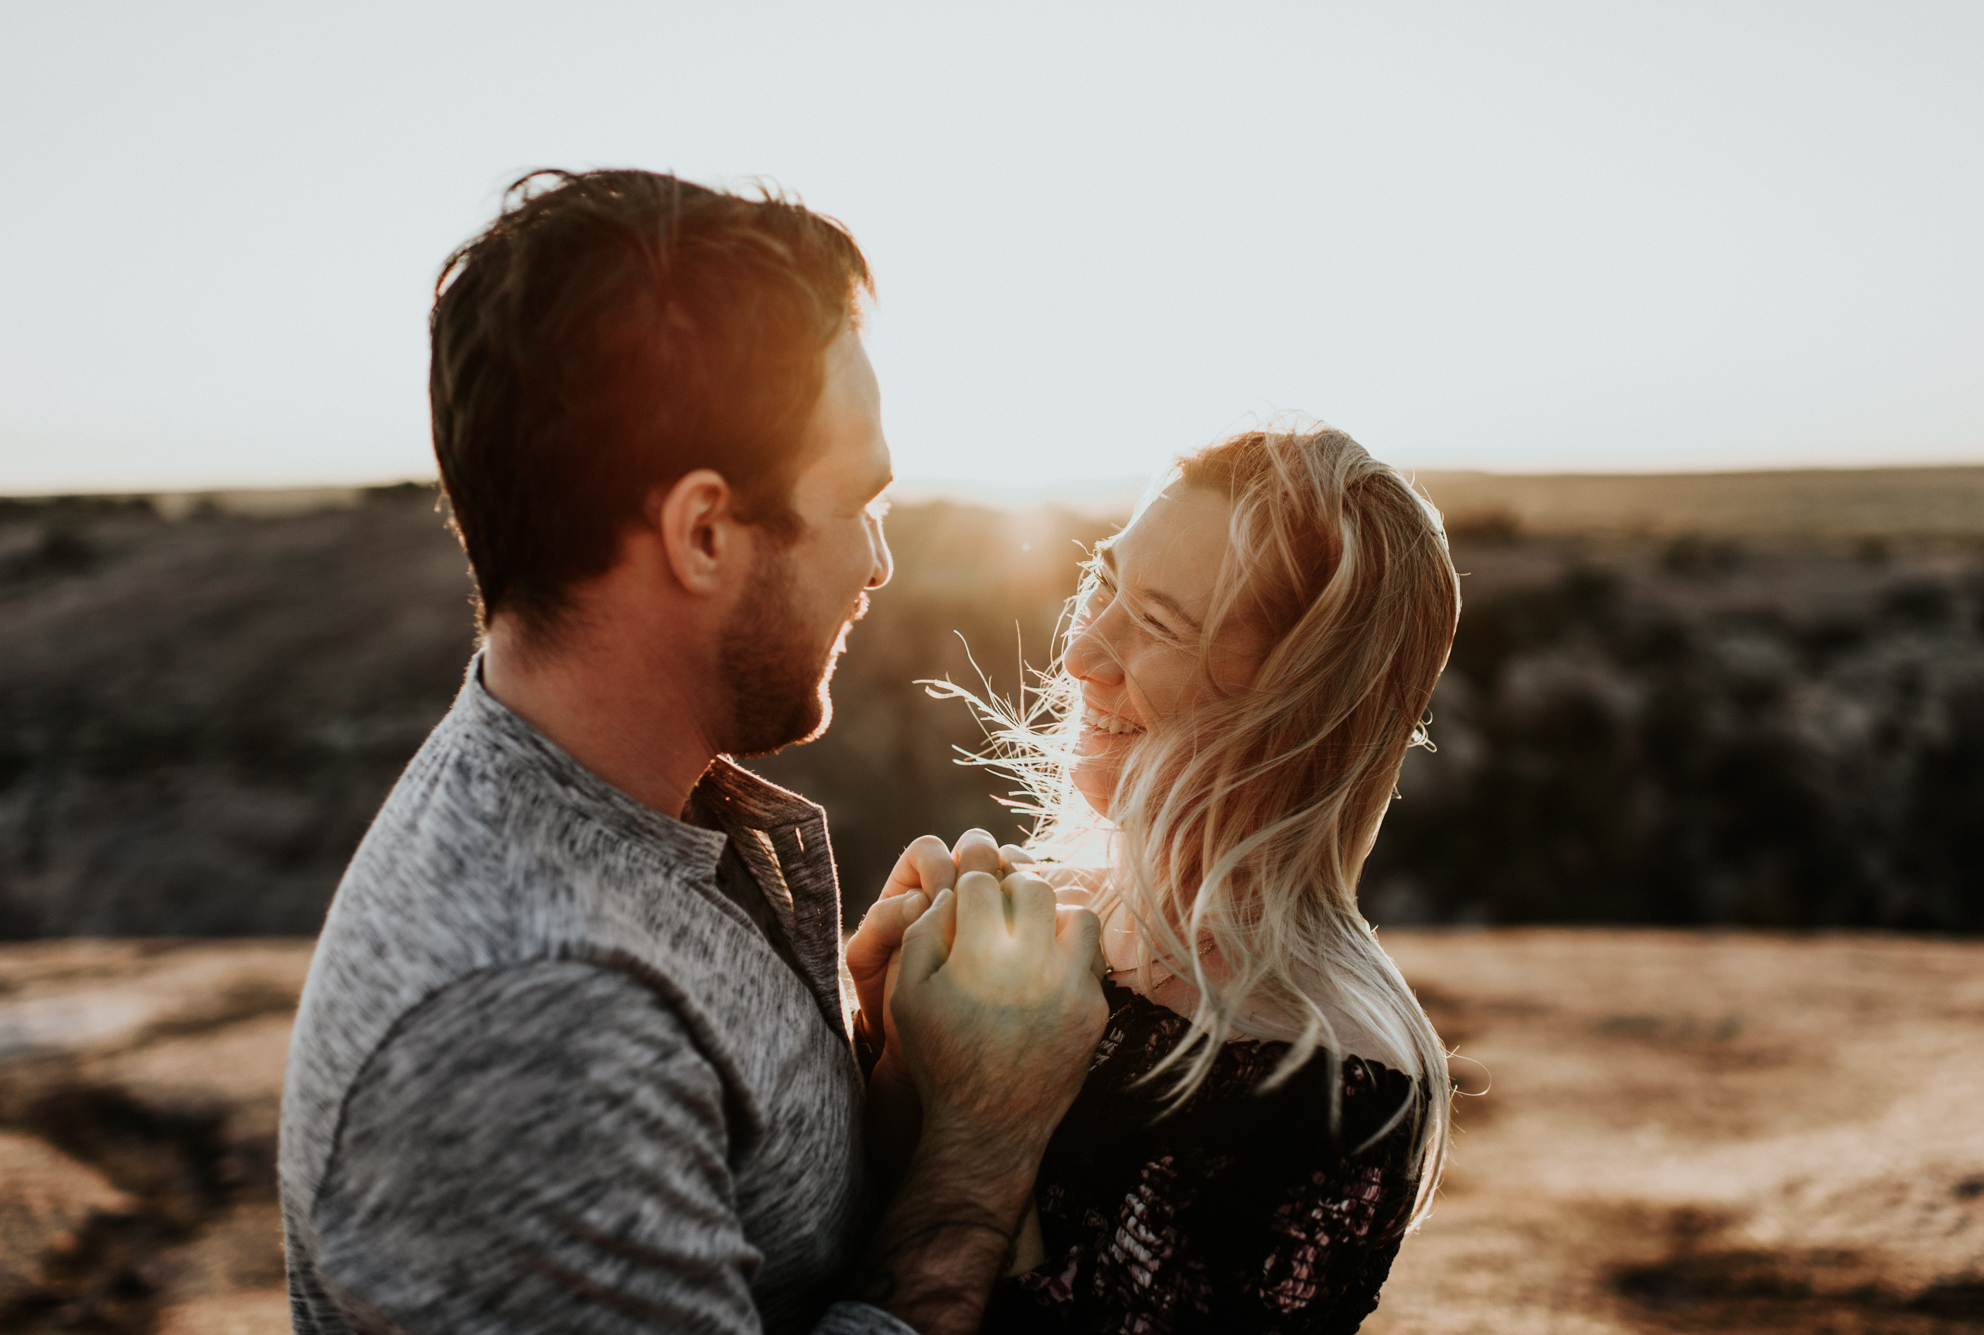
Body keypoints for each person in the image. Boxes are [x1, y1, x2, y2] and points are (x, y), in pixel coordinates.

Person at [278, 170, 1107, 1335]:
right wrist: (983, 1145)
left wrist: (892, 1083)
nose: (877, 565)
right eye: (857, 502)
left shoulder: (644, 814)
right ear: (704, 531)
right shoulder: (531, 1034)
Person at [848, 426, 1459, 1333]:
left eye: (1162, 623)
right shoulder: (1024, 924)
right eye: (1104, 583)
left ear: (1302, 706)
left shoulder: (1321, 1084)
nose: (1081, 656)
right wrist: (884, 1052)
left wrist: (992, 1124)